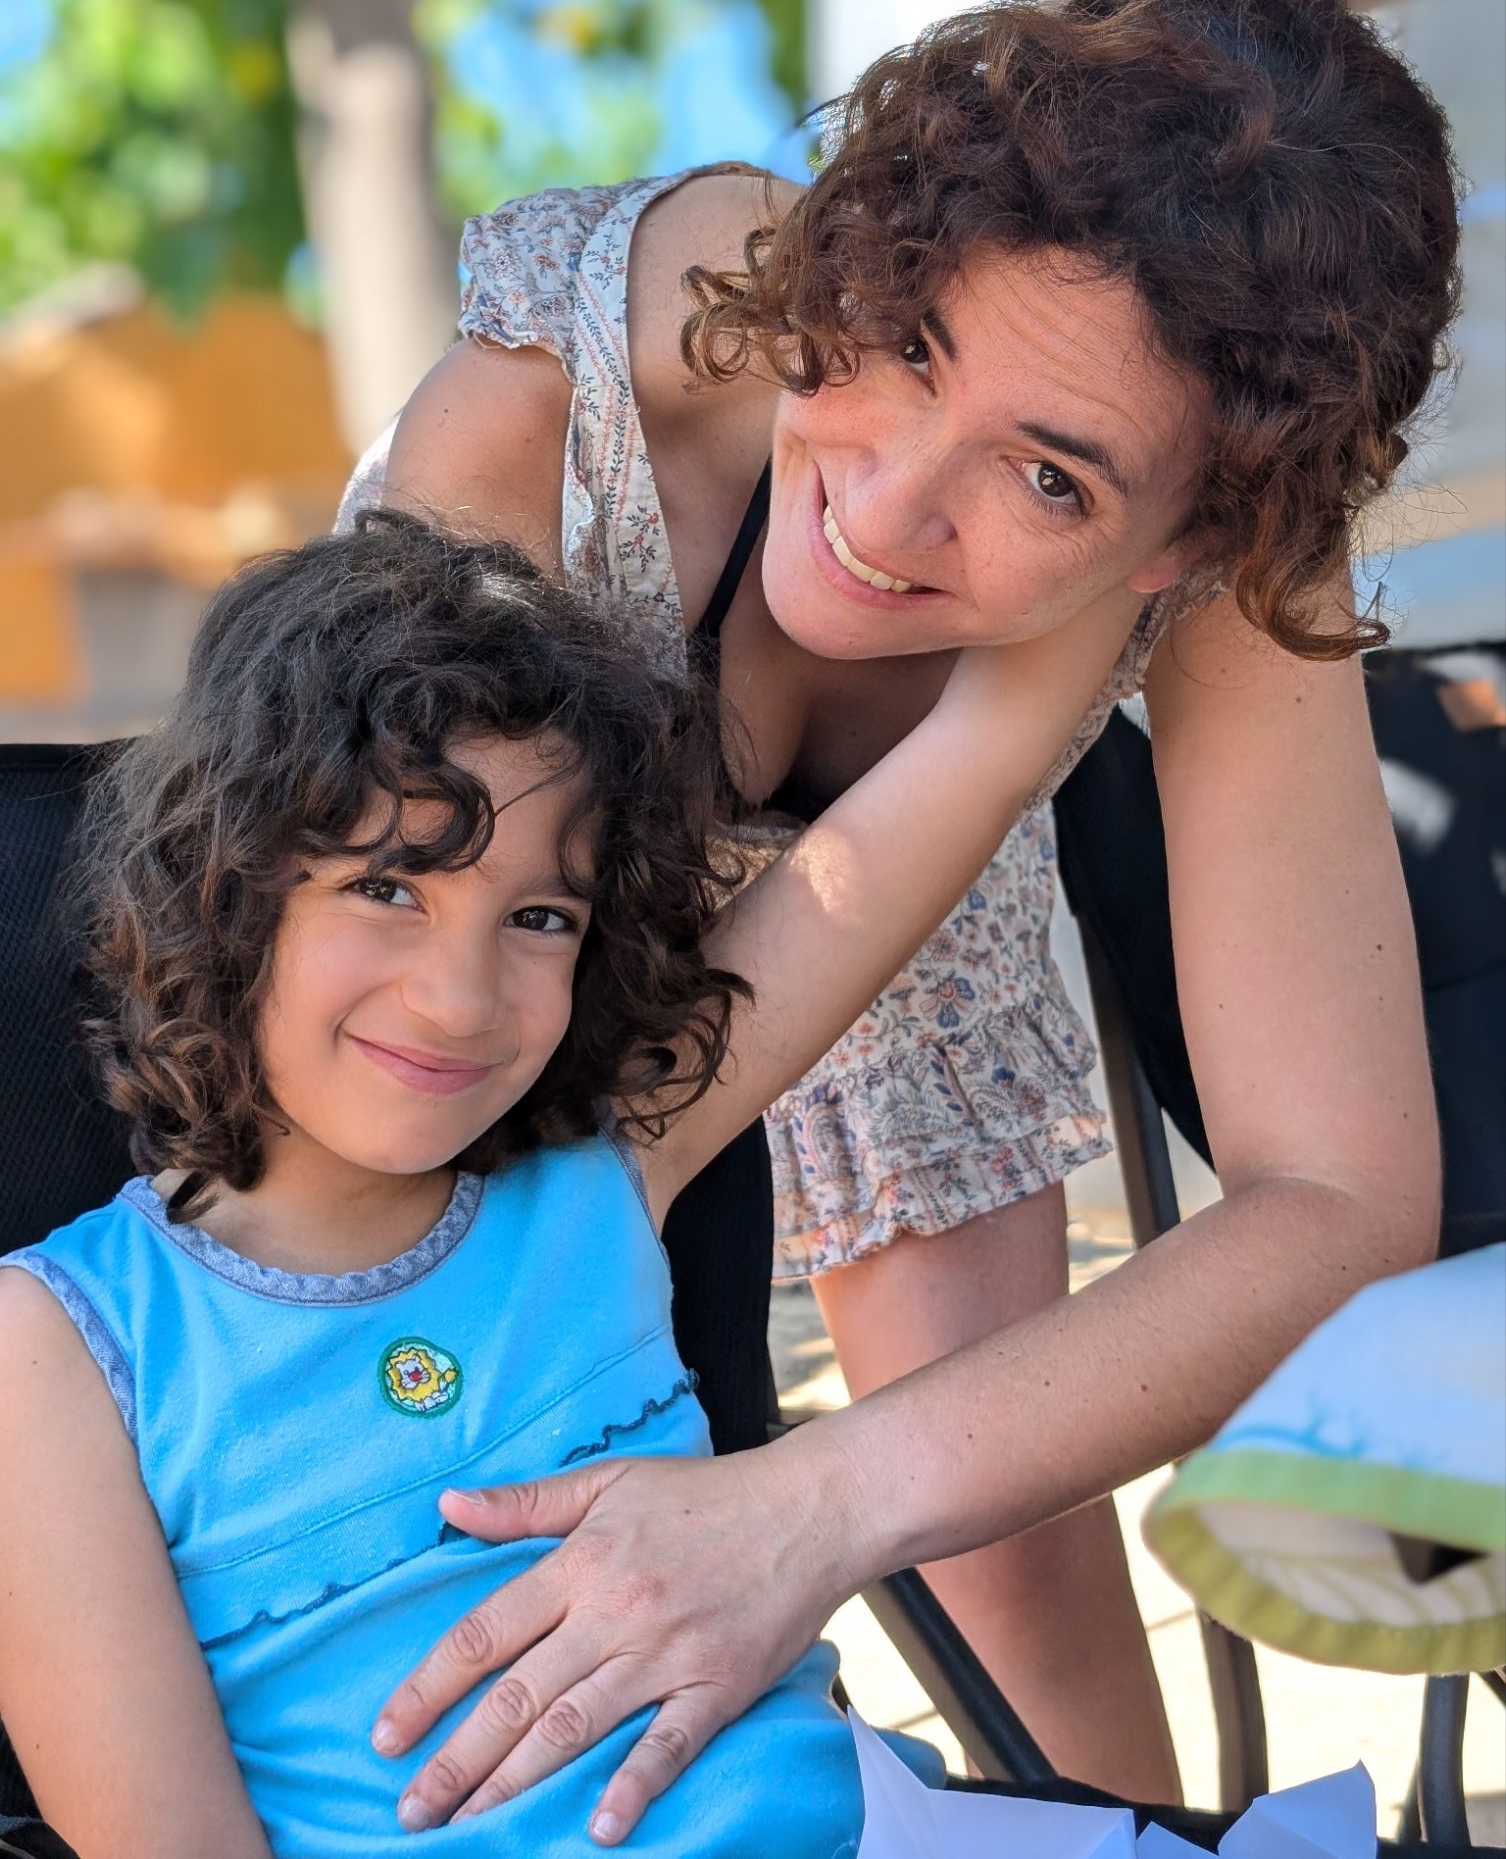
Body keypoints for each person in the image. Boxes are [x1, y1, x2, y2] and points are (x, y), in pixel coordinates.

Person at [336, 0, 1452, 1839]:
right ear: (864, 243)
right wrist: (1005, 717)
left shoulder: (1222, 522)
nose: (884, 510)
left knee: (1015, 1577)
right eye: (910, 345)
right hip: (487, 956)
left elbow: (1339, 1199)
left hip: (917, 935)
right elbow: (472, 1142)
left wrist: (822, 1501)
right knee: (465, 1516)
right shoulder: (548, 410)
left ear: (1191, 537)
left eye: (1048, 478)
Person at [0, 515, 1140, 1859]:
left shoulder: (608, 1157)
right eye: (388, 886)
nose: (459, 996)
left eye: (539, 917)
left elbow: (985, 748)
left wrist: (1188, 482)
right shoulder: (59, 1347)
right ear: (224, 884)